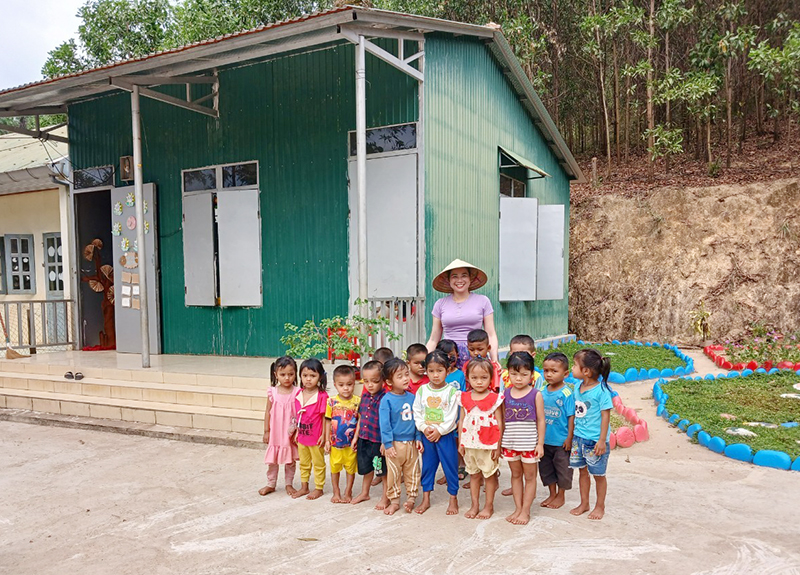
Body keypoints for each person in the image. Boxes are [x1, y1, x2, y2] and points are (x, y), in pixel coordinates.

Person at [412, 350, 460, 515]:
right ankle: (426, 498)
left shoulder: (452, 392)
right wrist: (424, 428)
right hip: (427, 436)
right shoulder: (422, 390)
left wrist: (439, 430)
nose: (435, 375)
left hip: (445, 436)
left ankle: (453, 498)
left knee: (450, 467)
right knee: (428, 466)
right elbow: (417, 412)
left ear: (447, 370)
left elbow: (452, 416)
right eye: (431, 371)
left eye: (439, 370)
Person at [426, 259, 499, 367]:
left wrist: (494, 360)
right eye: (454, 276)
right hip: (449, 355)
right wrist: (426, 361)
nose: (459, 280)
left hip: (475, 354)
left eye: (464, 275)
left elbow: (491, 334)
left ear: (470, 279)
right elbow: (433, 339)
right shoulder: (440, 304)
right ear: (449, 280)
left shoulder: (483, 301)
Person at [501, 352, 546, 525]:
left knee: (530, 477)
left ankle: (526, 511)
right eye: (514, 374)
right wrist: (500, 444)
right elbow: (503, 420)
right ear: (508, 373)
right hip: (510, 443)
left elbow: (541, 420)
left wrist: (540, 444)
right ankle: (518, 508)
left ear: (531, 375)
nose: (518, 378)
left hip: (529, 445)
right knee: (515, 475)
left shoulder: (536, 394)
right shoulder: (505, 394)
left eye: (524, 374)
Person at [569, 349, 613, 520]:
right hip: (578, 439)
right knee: (582, 472)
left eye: (574, 365)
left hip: (594, 442)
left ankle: (600, 506)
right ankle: (584, 503)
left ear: (585, 371)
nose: (572, 368)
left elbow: (605, 416)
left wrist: (602, 440)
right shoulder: (577, 388)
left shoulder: (602, 391)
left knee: (599, 475)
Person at [459, 357, 504, 519]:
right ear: (468, 378)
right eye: (474, 378)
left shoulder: (495, 399)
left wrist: (498, 446)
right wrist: (461, 443)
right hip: (470, 444)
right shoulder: (464, 397)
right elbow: (461, 420)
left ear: (491, 378)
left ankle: (488, 506)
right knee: (473, 475)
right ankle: (474, 505)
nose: (479, 382)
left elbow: (500, 423)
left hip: (488, 445)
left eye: (484, 378)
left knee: (489, 475)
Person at [379, 358, 423, 515]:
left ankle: (411, 499)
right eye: (400, 376)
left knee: (413, 472)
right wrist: (388, 443)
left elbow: (418, 419)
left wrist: (418, 437)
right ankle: (395, 501)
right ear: (389, 381)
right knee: (394, 473)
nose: (405, 378)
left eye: (406, 374)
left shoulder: (412, 397)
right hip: (395, 445)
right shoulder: (386, 400)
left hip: (411, 443)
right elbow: (385, 424)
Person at [538, 352, 575, 510]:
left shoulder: (567, 394)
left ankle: (561, 495)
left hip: (560, 442)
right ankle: (552, 494)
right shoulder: (541, 391)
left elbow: (571, 417)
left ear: (565, 374)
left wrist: (569, 438)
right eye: (546, 371)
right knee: (546, 470)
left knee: (563, 470)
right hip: (544, 441)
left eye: (554, 371)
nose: (549, 374)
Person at [351, 360, 389, 509]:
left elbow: (388, 423)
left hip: (378, 442)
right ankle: (364, 492)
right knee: (367, 468)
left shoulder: (386, 398)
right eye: (366, 381)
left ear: (384, 380)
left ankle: (385, 497)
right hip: (364, 439)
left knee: (381, 471)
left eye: (375, 381)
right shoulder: (365, 397)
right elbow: (361, 417)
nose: (370, 385)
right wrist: (356, 437)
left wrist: (386, 442)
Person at [259, 356, 299, 497]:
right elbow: (267, 412)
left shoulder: (297, 392)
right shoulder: (272, 393)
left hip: (290, 433)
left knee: (290, 460)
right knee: (273, 460)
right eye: (283, 374)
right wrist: (266, 431)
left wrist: (298, 432)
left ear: (295, 374)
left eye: (290, 374)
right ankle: (271, 484)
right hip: (276, 432)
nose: (287, 378)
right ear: (276, 375)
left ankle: (289, 483)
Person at [292, 358, 329, 500]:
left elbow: (326, 418)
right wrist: (296, 431)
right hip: (302, 436)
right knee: (304, 463)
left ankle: (319, 488)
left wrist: (324, 436)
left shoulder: (322, 396)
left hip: (316, 438)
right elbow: (298, 416)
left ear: (320, 377)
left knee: (319, 464)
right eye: (305, 375)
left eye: (312, 376)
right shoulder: (298, 394)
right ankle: (304, 486)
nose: (308, 379)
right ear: (300, 376)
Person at [325, 365, 360, 504]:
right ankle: (336, 492)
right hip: (335, 445)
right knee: (335, 469)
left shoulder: (358, 401)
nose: (346, 388)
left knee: (350, 469)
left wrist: (356, 439)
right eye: (341, 385)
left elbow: (359, 422)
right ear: (335, 385)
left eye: (349, 384)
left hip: (351, 445)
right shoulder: (331, 401)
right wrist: (327, 440)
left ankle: (348, 491)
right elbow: (327, 421)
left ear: (354, 383)